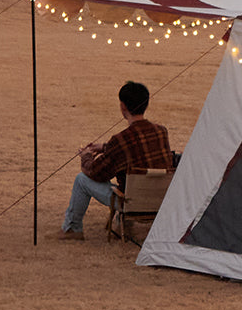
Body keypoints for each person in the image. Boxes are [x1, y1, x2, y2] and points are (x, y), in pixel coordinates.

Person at [59, 81, 173, 240]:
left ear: (123, 107)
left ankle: (72, 229)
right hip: (158, 200)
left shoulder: (120, 140)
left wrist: (86, 155)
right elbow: (135, 149)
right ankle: (124, 224)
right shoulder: (161, 131)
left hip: (131, 202)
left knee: (81, 180)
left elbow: (95, 172)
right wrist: (105, 147)